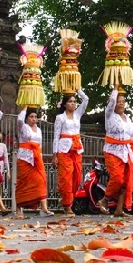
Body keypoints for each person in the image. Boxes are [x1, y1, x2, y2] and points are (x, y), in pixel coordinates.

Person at [99, 89, 133, 217]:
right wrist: (115, 88)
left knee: (125, 181)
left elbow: (132, 136)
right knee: (117, 178)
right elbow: (111, 102)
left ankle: (119, 209)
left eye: (123, 102)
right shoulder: (109, 114)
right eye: (119, 101)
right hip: (112, 151)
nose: (121, 104)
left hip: (126, 152)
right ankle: (105, 200)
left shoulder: (127, 119)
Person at [52, 89, 89, 217]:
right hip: (64, 150)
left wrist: (78, 89)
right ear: (65, 104)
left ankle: (66, 199)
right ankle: (67, 206)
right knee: (66, 178)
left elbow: (86, 100)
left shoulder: (77, 115)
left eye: (74, 101)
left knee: (77, 178)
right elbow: (56, 136)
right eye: (70, 102)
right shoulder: (60, 117)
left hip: (77, 149)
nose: (73, 104)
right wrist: (54, 154)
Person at [16, 106, 53, 218]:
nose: (34, 119)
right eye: (31, 117)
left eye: (35, 117)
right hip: (24, 159)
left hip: (36, 159)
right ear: (27, 118)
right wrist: (24, 108)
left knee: (41, 180)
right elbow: (19, 120)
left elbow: (40, 146)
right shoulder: (23, 127)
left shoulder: (39, 130)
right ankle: (18, 209)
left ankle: (44, 209)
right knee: (23, 183)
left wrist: (40, 159)